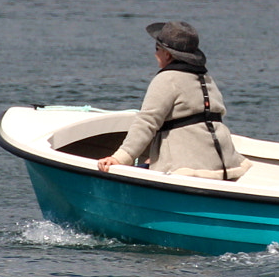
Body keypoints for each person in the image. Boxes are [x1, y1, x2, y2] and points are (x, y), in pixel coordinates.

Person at [97, 22, 248, 180]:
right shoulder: (207, 79)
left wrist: (120, 158)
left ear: (167, 54)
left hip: (191, 170)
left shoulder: (167, 79)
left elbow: (146, 122)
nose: (155, 54)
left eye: (157, 48)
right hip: (226, 165)